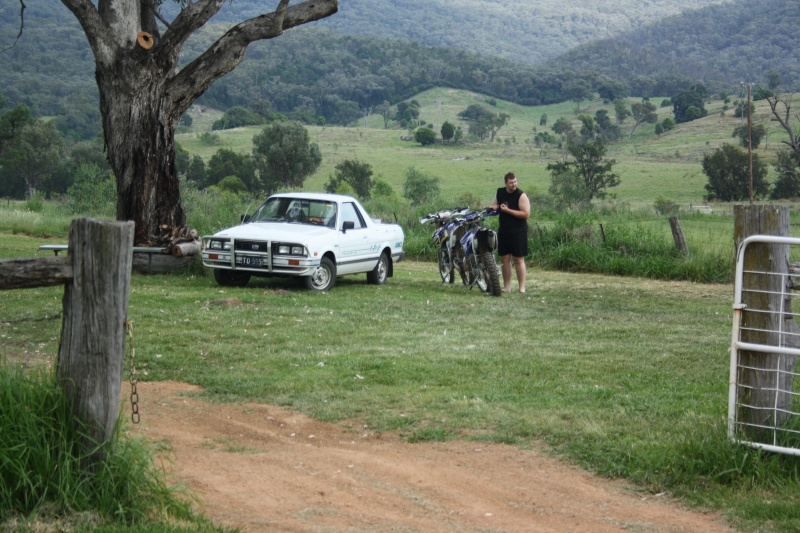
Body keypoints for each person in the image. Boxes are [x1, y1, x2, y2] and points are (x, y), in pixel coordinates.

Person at [491, 172, 530, 293]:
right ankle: (507, 287)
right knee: (505, 259)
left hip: (518, 231)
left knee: (518, 259)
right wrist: (493, 208)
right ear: (506, 183)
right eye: (511, 182)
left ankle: (522, 288)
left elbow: (525, 214)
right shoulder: (500, 192)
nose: (514, 184)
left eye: (515, 182)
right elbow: (494, 204)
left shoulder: (521, 195)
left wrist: (508, 210)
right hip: (504, 230)